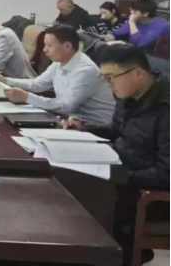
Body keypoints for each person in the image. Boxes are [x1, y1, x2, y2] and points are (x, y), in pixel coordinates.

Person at [64, 45, 168, 190]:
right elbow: (118, 132)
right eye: (105, 79)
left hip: (141, 186)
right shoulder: (126, 95)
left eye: (110, 78)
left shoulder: (165, 108)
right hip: (119, 167)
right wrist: (85, 128)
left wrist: (117, 176)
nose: (108, 85)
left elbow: (166, 174)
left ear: (138, 73)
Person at [0, 26, 116, 126]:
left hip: (95, 129)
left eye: (49, 46)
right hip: (72, 121)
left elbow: (65, 106)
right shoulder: (59, 62)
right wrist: (6, 80)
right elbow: (38, 84)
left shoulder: (85, 70)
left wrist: (26, 97)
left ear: (67, 46)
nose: (44, 50)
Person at [106, 0, 170, 52]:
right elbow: (115, 33)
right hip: (136, 53)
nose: (131, 13)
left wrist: (132, 23)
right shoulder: (136, 21)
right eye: (131, 10)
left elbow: (142, 43)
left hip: (154, 56)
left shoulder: (161, 25)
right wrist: (109, 38)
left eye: (134, 11)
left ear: (145, 13)